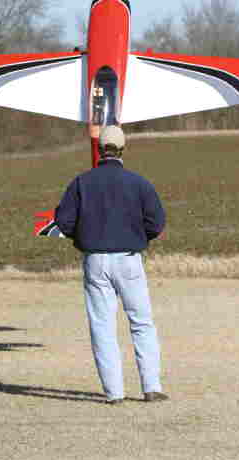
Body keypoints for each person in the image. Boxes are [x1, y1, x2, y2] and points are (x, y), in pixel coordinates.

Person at [55, 125, 168, 405]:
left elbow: (64, 222)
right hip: (129, 259)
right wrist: (139, 236)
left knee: (102, 326)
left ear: (99, 149)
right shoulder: (139, 183)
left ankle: (114, 393)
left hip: (95, 260)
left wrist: (83, 236)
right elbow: (156, 223)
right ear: (123, 149)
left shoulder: (81, 183)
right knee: (141, 322)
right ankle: (151, 387)